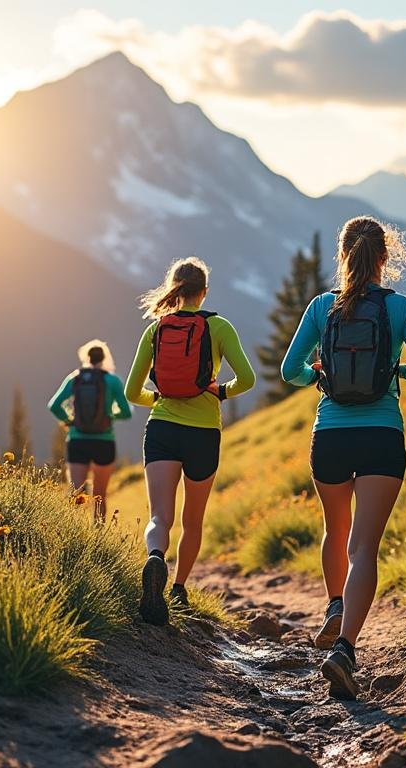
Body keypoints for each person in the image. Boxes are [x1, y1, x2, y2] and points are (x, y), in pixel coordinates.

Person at [280, 216, 406, 699]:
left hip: (330, 434)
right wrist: (398, 370)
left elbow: (290, 371)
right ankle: (345, 648)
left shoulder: (322, 306)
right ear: (385, 257)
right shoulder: (403, 308)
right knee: (363, 548)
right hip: (381, 435)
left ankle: (333, 605)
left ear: (343, 254)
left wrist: (319, 376)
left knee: (336, 529)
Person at [126, 257, 256, 625]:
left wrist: (160, 399)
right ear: (204, 291)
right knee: (192, 520)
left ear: (174, 289)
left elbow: (131, 392)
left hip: (162, 428)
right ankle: (179, 588)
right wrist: (220, 392)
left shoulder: (156, 330)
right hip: (203, 433)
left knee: (159, 516)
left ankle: (155, 558)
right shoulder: (219, 326)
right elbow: (246, 379)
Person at [48, 340, 132, 523]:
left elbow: (54, 405)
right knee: (100, 494)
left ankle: (73, 533)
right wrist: (109, 415)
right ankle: (98, 535)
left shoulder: (75, 378)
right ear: (104, 358)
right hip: (104, 441)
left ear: (86, 358)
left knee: (76, 493)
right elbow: (126, 412)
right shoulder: (112, 381)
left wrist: (70, 420)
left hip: (78, 440)